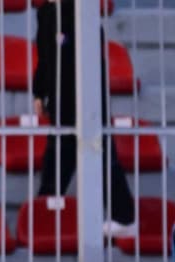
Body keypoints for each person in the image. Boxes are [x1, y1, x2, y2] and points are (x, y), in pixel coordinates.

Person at [33, 0, 136, 237]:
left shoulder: (82, 14)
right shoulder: (46, 14)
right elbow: (44, 57)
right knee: (59, 160)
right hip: (60, 102)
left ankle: (124, 216)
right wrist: (39, 91)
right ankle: (45, 219)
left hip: (86, 101)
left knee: (95, 155)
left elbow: (91, 62)